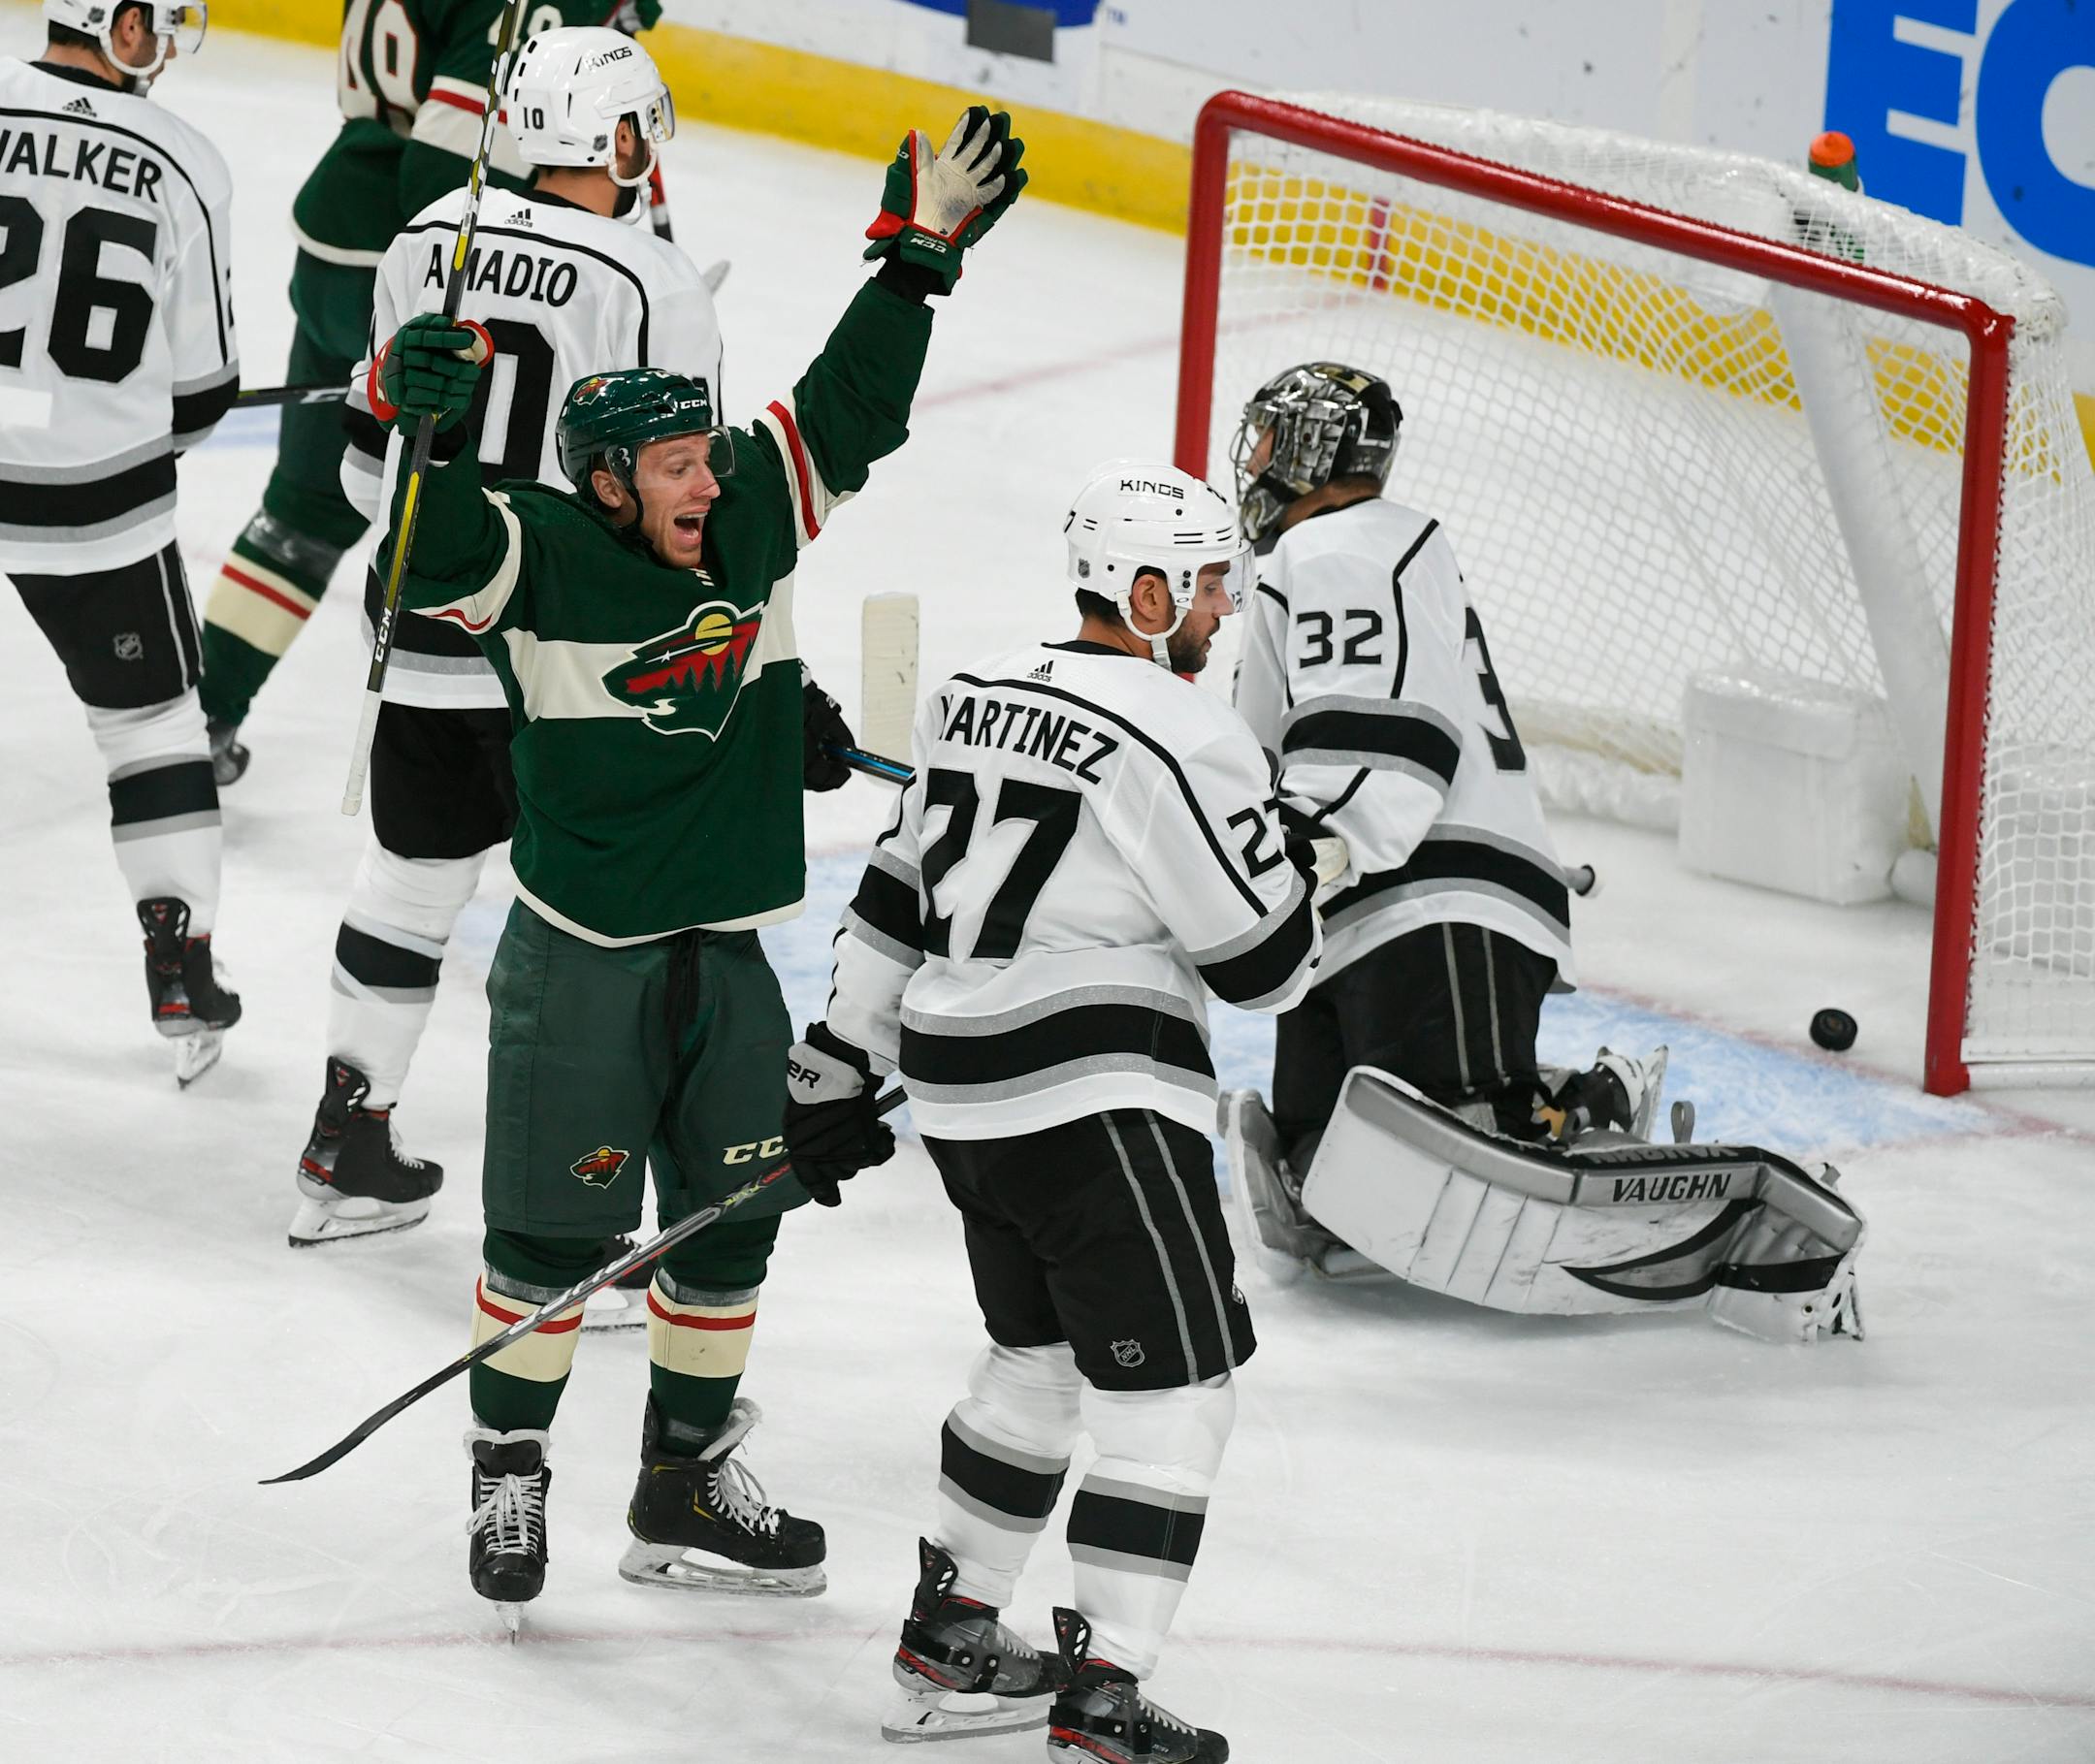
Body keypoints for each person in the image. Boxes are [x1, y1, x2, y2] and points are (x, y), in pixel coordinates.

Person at [368, 105, 1026, 1626]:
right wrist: (425, 423)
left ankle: (679, 1478)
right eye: (673, 463)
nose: (703, 483)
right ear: (605, 480)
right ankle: (510, 1457)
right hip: (580, 961)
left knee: (732, 1221)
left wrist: (915, 268)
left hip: (728, 956)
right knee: (550, 1235)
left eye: (703, 457)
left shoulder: (746, 523)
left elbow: (844, 410)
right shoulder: (537, 545)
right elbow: (427, 554)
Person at [786, 464, 1320, 1761]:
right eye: (1198, 583)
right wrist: (1306, 861)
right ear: (1143, 593)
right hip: (1098, 1103)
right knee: (1177, 1392)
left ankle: (954, 1632)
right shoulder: (1183, 731)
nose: (1218, 606)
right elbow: (1265, 963)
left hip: (967, 1101)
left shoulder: (971, 693)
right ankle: (1106, 1691)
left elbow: (897, 892)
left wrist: (834, 1063)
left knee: (1042, 1359)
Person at [289, 25, 741, 1250]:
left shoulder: (426, 236)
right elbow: (684, 505)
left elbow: (358, 475)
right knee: (604, 930)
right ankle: (574, 1234)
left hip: (422, 615)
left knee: (411, 877)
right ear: (622, 136)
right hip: (561, 649)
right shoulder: (653, 282)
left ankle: (343, 1143)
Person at [1222, 362, 1663, 1272]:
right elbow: (1259, 750)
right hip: (1355, 905)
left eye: (1268, 438)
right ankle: (1533, 1098)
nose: (1253, 459)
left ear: (1312, 449)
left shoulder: (1347, 546)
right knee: (1330, 1157)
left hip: (1437, 895)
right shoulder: (1310, 564)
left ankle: (1584, 1107)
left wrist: (1304, 845)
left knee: (1463, 1138)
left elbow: (1383, 749)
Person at [194, 0, 656, 785]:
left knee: (305, 511)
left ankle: (205, 715)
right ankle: (502, 743)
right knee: (501, 508)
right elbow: (446, 165)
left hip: (339, 243)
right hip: (415, 270)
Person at [0, 0, 240, 1085]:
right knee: (151, 731)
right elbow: (203, 393)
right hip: (94, 498)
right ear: (118, 22)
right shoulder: (185, 160)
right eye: (161, 18)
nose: (170, 40)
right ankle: (180, 965)